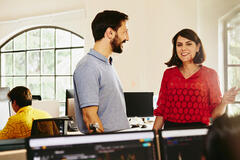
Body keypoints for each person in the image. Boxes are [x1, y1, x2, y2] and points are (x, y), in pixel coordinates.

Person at [153, 28, 240, 130]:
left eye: (188, 44)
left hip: (200, 133)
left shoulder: (210, 74)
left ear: (198, 47)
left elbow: (215, 115)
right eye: (179, 45)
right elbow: (161, 111)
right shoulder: (169, 74)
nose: (183, 48)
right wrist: (154, 139)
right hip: (171, 133)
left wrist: (224, 102)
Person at [73, 10, 130, 134]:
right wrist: (105, 150)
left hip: (116, 142)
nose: (127, 38)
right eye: (124, 32)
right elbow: (90, 118)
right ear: (110, 33)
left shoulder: (106, 63)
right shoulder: (88, 66)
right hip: (106, 146)